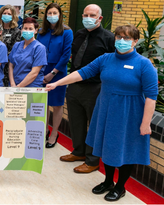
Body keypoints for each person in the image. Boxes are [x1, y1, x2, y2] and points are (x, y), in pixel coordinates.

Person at [46, 24, 158, 202]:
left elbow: (151, 97)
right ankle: (107, 181)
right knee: (105, 146)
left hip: (129, 113)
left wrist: (145, 123)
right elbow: (82, 73)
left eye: (127, 38)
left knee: (125, 149)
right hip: (105, 109)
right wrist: (57, 83)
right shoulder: (106, 59)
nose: (122, 41)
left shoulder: (144, 65)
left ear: (135, 41)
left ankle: (120, 187)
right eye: (119, 37)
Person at [59, 4, 115, 173]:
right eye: (86, 15)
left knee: (94, 125)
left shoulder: (108, 38)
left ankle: (92, 161)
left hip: (95, 88)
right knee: (76, 121)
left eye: (92, 15)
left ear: (100, 18)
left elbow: (113, 63)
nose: (88, 18)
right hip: (75, 85)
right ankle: (78, 152)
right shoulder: (79, 33)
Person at [37, 3, 73, 148]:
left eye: (54, 13)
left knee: (57, 105)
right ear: (46, 15)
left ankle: (54, 134)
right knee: (43, 103)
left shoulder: (67, 31)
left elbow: (66, 55)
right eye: (49, 13)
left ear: (60, 15)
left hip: (58, 72)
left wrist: (53, 73)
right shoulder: (41, 31)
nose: (52, 16)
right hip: (41, 70)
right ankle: (45, 129)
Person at [8, 17, 47, 87]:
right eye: (25, 28)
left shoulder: (39, 48)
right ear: (21, 30)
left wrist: (19, 87)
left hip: (31, 87)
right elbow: (11, 66)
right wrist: (12, 84)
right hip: (14, 85)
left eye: (30, 29)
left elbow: (34, 73)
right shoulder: (17, 45)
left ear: (36, 31)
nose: (27, 31)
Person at [0, 5, 21, 86]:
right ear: (1, 15)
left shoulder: (16, 31)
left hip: (8, 65)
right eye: (4, 13)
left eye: (9, 14)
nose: (6, 15)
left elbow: (15, 49)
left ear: (13, 16)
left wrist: (3, 59)